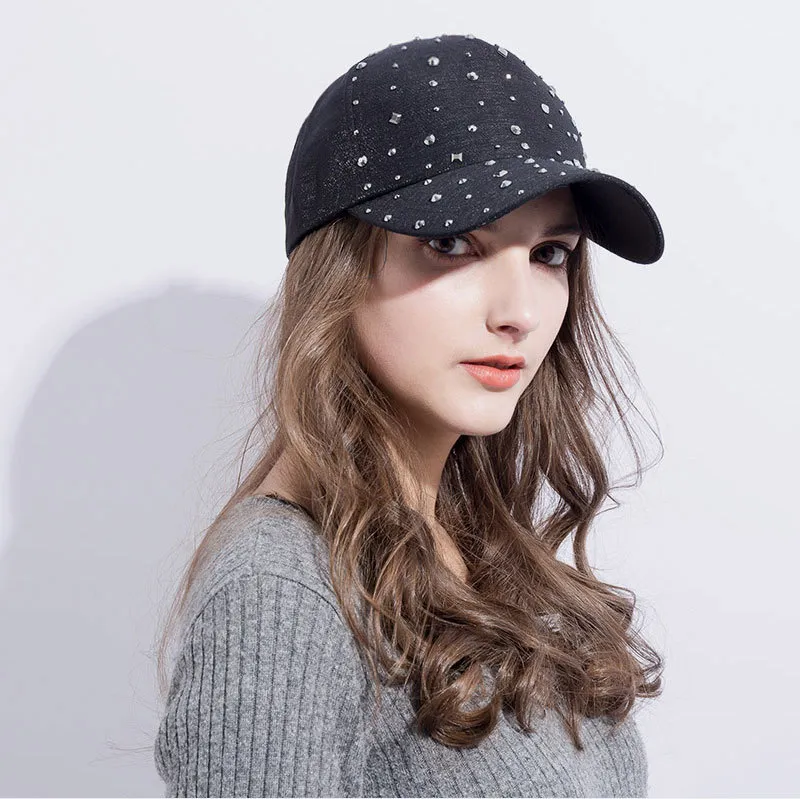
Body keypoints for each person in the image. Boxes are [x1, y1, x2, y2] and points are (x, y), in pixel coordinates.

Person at [153, 33, 666, 797]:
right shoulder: (281, 592)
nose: (519, 312)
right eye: (453, 242)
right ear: (339, 267)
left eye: (549, 254)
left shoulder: (485, 548)